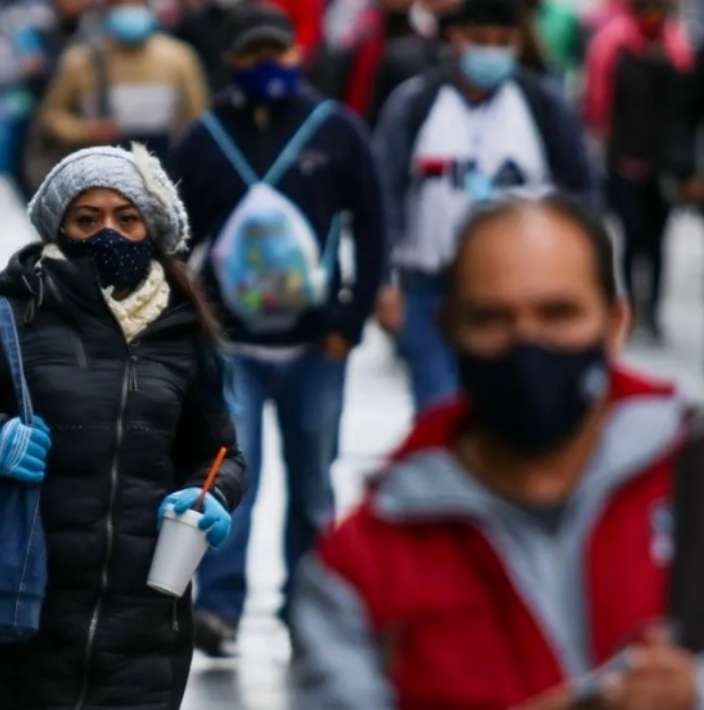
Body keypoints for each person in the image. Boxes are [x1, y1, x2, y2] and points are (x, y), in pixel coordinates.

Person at [291, 195, 701, 709]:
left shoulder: (690, 478)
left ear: (615, 322)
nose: (526, 343)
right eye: (492, 319)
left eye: (558, 313)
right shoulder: (362, 567)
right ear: (450, 329)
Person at [0, 145, 246, 709]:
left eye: (126, 218)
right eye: (88, 219)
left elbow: (222, 454)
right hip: (22, 619)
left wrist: (213, 496)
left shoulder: (183, 333)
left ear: (151, 230)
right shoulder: (5, 318)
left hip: (145, 629)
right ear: (59, 228)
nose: (108, 232)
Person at [167, 4, 385, 656]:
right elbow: (177, 241)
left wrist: (353, 318)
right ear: (230, 64)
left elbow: (374, 229)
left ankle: (309, 609)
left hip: (319, 345)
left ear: (298, 55)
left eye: (277, 53)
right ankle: (220, 609)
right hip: (233, 347)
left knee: (315, 481)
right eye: (252, 56)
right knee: (235, 478)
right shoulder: (204, 140)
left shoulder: (336, 132)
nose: (267, 67)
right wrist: (187, 327)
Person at [374, 0, 597, 411]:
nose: (490, 52)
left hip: (520, 289)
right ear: (454, 39)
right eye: (480, 40)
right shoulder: (416, 103)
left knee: (510, 409)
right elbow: (385, 193)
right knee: (438, 409)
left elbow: (582, 193)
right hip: (430, 287)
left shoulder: (542, 104)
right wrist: (384, 281)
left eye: (502, 42)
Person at [585, 0, 694, 342]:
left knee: (658, 239)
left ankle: (653, 313)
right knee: (632, 237)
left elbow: (686, 112)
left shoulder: (678, 47)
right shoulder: (612, 44)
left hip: (663, 164)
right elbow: (598, 102)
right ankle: (630, 307)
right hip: (625, 159)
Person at [35, 0, 210, 159]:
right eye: (119, 2)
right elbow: (51, 117)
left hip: (165, 165)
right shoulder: (82, 60)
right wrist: (85, 131)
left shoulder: (179, 57)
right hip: (103, 167)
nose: (129, 6)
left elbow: (198, 118)